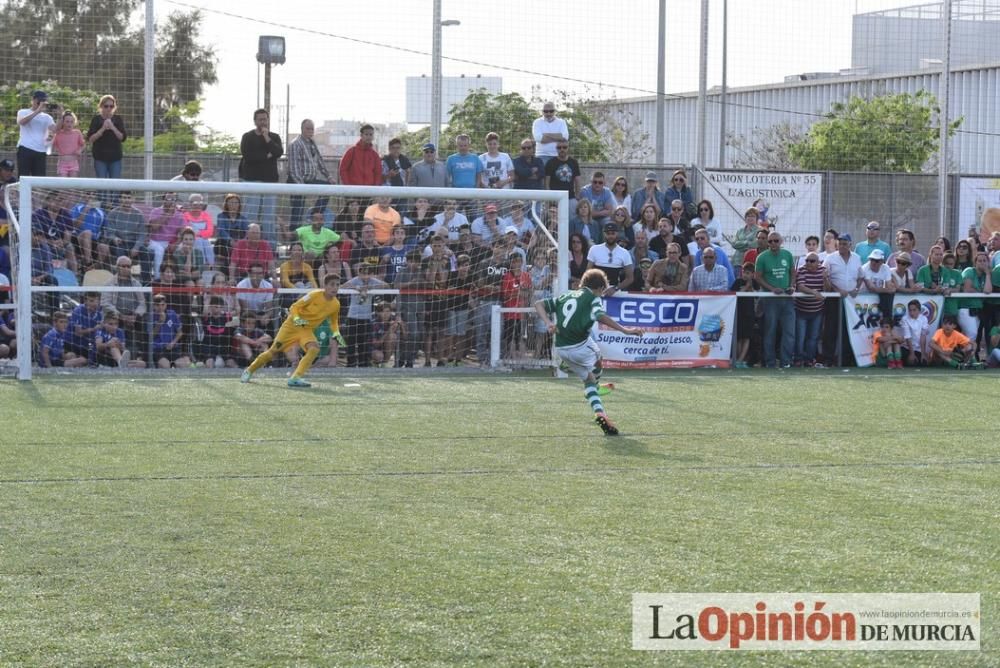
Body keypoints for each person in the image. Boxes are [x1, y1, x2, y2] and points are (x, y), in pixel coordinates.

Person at [534, 268, 644, 436]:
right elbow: (601, 316)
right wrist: (625, 330)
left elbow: (538, 304)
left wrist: (549, 323)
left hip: (562, 348)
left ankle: (600, 412)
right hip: (580, 346)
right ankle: (595, 389)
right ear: (600, 288)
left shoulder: (567, 295)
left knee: (588, 379)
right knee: (598, 358)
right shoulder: (593, 298)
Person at [242, 274, 346, 387]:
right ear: (325, 286)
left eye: (337, 285)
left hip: (306, 330)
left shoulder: (336, 304)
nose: (335, 288)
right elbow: (294, 307)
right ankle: (249, 370)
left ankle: (295, 378)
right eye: (332, 285)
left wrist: (336, 332)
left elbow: (334, 321)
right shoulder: (314, 295)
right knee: (272, 352)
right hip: (291, 327)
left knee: (314, 349)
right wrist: (297, 318)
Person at [239, 109, 283, 244]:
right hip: (252, 180)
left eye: (265, 119)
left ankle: (270, 244)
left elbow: (278, 152)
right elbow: (248, 156)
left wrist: (267, 138)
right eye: (260, 119)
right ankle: (246, 241)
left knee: (268, 215)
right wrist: (267, 156)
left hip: (270, 181)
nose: (263, 122)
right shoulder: (247, 137)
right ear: (255, 121)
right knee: (250, 212)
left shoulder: (274, 137)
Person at [755, 231, 796, 369]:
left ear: (781, 241)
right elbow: (758, 277)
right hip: (770, 299)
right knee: (770, 332)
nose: (773, 243)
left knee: (789, 332)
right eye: (770, 241)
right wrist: (771, 289)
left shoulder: (788, 255)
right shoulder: (761, 257)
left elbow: (792, 272)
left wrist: (791, 286)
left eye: (776, 241)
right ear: (767, 242)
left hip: (787, 299)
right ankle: (770, 362)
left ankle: (786, 362)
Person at [288, 119, 335, 227]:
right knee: (297, 213)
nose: (310, 131)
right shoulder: (295, 144)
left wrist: (328, 176)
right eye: (307, 128)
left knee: (327, 188)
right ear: (302, 129)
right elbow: (293, 168)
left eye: (312, 128)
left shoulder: (312, 143)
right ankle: (294, 242)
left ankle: (314, 215)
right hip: (297, 182)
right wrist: (301, 186)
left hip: (310, 180)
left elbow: (319, 162)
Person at [99, 192, 152, 283]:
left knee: (147, 253)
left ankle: (145, 282)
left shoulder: (138, 214)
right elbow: (109, 232)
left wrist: (136, 247)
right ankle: (122, 279)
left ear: (133, 199)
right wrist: (114, 238)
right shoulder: (113, 213)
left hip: (133, 243)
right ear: (120, 200)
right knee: (121, 253)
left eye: (128, 198)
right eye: (124, 198)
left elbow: (142, 233)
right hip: (119, 243)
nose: (126, 200)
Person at [342, 263, 387, 368]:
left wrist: (370, 287)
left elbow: (387, 285)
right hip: (352, 317)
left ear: (371, 274)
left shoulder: (372, 281)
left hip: (366, 318)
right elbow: (343, 286)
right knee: (351, 343)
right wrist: (357, 288)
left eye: (368, 274)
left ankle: (363, 365)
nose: (365, 276)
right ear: (359, 273)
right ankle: (351, 364)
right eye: (363, 274)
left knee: (364, 343)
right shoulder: (355, 280)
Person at [793, 251, 830, 367]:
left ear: (818, 262)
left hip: (817, 311)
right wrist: (814, 292)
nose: (808, 263)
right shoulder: (802, 270)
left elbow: (827, 289)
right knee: (800, 337)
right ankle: (798, 359)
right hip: (801, 310)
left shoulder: (823, 270)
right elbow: (801, 286)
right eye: (807, 260)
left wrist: (825, 279)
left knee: (813, 338)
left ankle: (809, 359)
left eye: (812, 261)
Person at [86, 95, 127, 180]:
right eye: (106, 106)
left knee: (115, 185)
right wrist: (102, 129)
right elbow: (90, 139)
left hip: (115, 157)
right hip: (100, 157)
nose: (109, 108)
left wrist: (113, 127)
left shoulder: (118, 119)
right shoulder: (96, 120)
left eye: (111, 106)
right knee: (101, 186)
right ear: (101, 106)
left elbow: (122, 137)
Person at [17, 90, 56, 177]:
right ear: (33, 100)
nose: (41, 103)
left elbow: (55, 129)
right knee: (23, 177)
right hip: (25, 148)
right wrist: (37, 111)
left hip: (40, 151)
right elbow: (22, 122)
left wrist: (60, 116)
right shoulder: (23, 112)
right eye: (39, 101)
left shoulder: (47, 117)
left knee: (39, 179)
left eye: (43, 101)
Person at [148, 194, 185, 280]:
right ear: (163, 200)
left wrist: (176, 243)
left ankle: (177, 278)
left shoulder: (179, 214)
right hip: (155, 241)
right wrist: (168, 214)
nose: (171, 201)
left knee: (183, 247)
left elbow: (183, 232)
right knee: (159, 250)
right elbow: (154, 227)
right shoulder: (155, 211)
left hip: (171, 242)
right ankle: (157, 278)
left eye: (173, 199)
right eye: (169, 198)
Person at [587, 222, 634, 290]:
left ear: (617, 234)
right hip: (596, 290)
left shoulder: (624, 253)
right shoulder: (594, 249)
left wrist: (615, 288)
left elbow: (630, 278)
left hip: (614, 292)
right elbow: (588, 273)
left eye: (613, 233)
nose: (610, 236)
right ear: (604, 234)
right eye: (608, 234)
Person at [149, 293, 190, 369]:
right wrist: (160, 322)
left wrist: (173, 342)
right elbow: (151, 336)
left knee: (182, 365)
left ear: (166, 305)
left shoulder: (172, 314)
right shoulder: (151, 316)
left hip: (173, 348)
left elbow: (180, 332)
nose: (160, 307)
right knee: (166, 365)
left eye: (162, 305)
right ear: (154, 305)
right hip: (158, 349)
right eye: (158, 305)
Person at [215, 194, 249, 276]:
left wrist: (240, 242)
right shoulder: (221, 216)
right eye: (231, 203)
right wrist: (230, 240)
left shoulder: (243, 218)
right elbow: (221, 230)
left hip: (239, 243)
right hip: (224, 243)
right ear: (227, 204)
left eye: (236, 203)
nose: (234, 205)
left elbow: (246, 233)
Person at [859, 248, 895, 323]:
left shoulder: (886, 268)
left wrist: (887, 289)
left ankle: (886, 319)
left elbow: (889, 285)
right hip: (864, 297)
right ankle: (886, 317)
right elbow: (871, 288)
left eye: (876, 261)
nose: (873, 262)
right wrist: (887, 290)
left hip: (879, 296)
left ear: (882, 262)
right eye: (871, 259)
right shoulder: (864, 268)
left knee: (888, 295)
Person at [544, 140, 580, 212]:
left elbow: (577, 180)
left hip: (570, 197)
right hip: (555, 198)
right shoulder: (550, 162)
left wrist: (577, 195)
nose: (562, 149)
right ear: (556, 149)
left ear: (568, 148)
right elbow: (546, 183)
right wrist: (549, 198)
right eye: (559, 147)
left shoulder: (574, 162)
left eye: (564, 147)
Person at [278, 241, 318, 307]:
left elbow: (313, 282)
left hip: (305, 293)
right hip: (289, 293)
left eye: (299, 250)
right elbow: (286, 282)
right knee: (299, 284)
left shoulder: (307, 267)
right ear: (290, 252)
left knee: (309, 285)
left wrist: (316, 292)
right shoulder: (284, 266)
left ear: (302, 252)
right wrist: (300, 291)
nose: (297, 252)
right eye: (294, 250)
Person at [51, 110, 85, 177]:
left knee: (73, 184)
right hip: (62, 163)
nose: (69, 124)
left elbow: (83, 145)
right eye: (67, 122)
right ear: (63, 122)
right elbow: (52, 144)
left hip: (73, 163)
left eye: (71, 122)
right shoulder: (58, 133)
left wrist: (80, 150)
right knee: (62, 184)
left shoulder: (77, 133)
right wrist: (56, 149)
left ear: (74, 122)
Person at [899, 299, 930, 366]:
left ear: (919, 310)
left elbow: (923, 336)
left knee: (924, 363)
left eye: (914, 310)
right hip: (907, 348)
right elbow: (908, 337)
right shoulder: (905, 319)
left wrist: (923, 354)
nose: (912, 313)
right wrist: (912, 354)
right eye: (910, 310)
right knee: (911, 362)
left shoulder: (924, 319)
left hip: (919, 349)